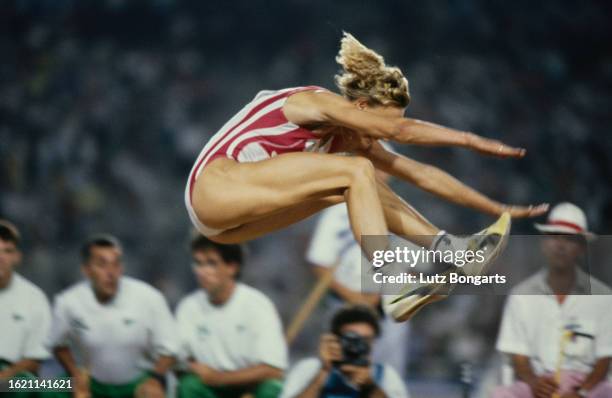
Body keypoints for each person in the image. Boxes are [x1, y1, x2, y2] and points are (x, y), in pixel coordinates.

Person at [184, 32, 547, 320]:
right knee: (357, 170)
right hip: (213, 189)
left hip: (225, 227)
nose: (387, 133)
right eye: (384, 123)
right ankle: (392, 283)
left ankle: (456, 250)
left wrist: (497, 207)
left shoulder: (347, 137)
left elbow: (420, 175)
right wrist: (469, 139)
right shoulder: (314, 103)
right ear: (360, 109)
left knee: (361, 184)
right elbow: (403, 135)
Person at [306, 153, 413, 377]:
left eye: (384, 167)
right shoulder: (336, 211)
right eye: (374, 166)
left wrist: (377, 295)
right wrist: (353, 296)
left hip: (388, 309)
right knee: (342, 371)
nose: (379, 173)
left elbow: (412, 265)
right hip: (345, 307)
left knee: (388, 375)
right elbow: (319, 262)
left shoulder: (401, 211)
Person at [493, 203, 612, 398]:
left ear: (582, 247)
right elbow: (518, 356)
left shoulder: (604, 297)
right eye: (554, 236)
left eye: (569, 239)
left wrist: (581, 392)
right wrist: (534, 383)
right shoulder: (521, 295)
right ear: (543, 243)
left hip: (587, 385)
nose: (560, 245)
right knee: (502, 394)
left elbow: (605, 358)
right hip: (538, 383)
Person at [48, 234, 179, 398]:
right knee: (44, 386)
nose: (110, 272)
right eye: (101, 264)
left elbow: (171, 350)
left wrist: (155, 379)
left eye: (116, 264)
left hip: (137, 384)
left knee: (153, 393)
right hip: (91, 383)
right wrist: (75, 374)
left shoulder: (149, 298)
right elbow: (57, 344)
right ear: (86, 270)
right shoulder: (68, 302)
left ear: (122, 268)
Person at [175, 236, 286, 398]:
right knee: (189, 385)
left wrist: (219, 378)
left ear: (232, 267)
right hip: (210, 389)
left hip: (251, 388)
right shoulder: (188, 307)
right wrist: (192, 368)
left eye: (211, 263)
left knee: (272, 388)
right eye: (198, 263)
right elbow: (181, 360)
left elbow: (274, 370)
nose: (202, 271)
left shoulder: (257, 305)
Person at [281, 305, 409, 398]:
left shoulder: (385, 375)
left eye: (365, 340)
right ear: (334, 339)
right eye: (351, 338)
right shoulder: (310, 368)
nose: (357, 345)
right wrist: (323, 372)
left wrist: (369, 385)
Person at [0, 220, 52, 397]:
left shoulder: (34, 298)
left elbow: (35, 360)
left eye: (7, 251)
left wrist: (4, 378)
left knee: (63, 385)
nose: (1, 257)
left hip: (14, 378)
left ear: (17, 257)